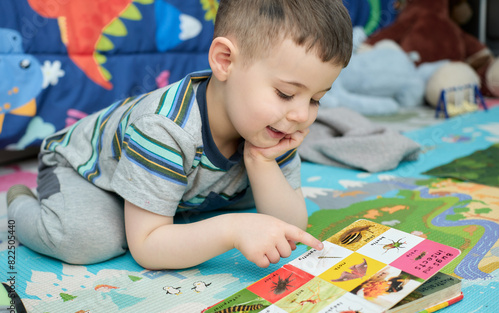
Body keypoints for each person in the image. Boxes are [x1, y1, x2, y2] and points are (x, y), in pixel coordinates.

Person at [7, 0, 352, 270]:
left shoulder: (275, 124)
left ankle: (169, 199)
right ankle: (17, 204)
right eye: (286, 93)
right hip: (86, 169)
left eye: (317, 99)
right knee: (89, 239)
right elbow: (148, 247)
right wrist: (232, 230)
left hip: (180, 180)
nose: (301, 115)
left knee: (252, 204)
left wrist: (260, 161)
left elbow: (289, 226)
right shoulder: (165, 129)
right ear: (225, 61)